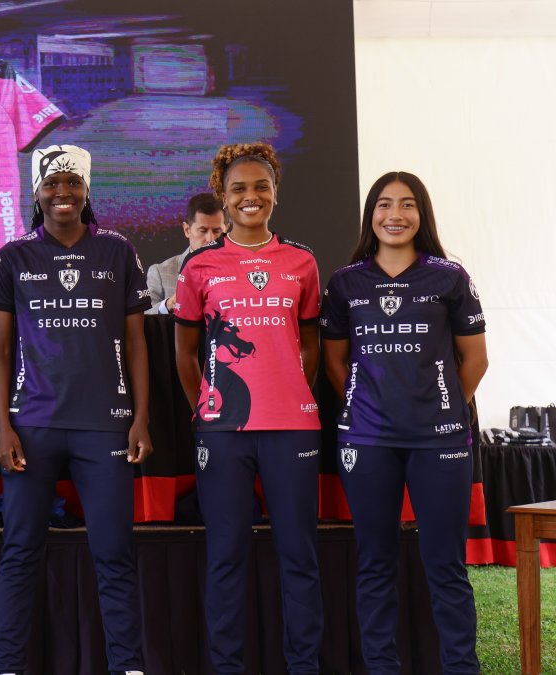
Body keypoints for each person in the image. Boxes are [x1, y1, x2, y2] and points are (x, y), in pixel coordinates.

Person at [0, 144, 151, 675]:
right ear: (36, 192)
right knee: (19, 554)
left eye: (73, 183)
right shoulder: (13, 257)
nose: (63, 193)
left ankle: (128, 667)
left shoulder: (118, 251)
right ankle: (6, 667)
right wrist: (2, 426)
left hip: (105, 426)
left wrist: (141, 417)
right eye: (52, 184)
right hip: (32, 427)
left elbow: (138, 343)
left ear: (86, 190)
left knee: (115, 556)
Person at [321, 172, 487, 674]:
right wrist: (368, 405)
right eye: (385, 204)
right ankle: (382, 667)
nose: (395, 214)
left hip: (439, 441)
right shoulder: (346, 282)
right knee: (375, 563)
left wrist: (441, 406)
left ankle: (461, 667)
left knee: (446, 566)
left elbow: (474, 360)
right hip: (367, 441)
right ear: (370, 214)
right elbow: (335, 363)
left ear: (422, 215)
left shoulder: (449, 277)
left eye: (408, 205)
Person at [173, 142, 324, 674]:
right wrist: (209, 408)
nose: (250, 196)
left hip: (293, 430)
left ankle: (304, 665)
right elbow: (185, 353)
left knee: (299, 557)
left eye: (261, 186)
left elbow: (309, 345)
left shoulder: (302, 262)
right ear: (223, 196)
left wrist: (289, 390)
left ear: (275, 193)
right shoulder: (200, 267)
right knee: (226, 556)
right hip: (224, 433)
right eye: (239, 188)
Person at [146, 192, 225, 314]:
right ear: (187, 230)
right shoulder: (160, 273)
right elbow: (143, 318)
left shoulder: (239, 269)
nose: (210, 239)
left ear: (226, 230)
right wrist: (168, 305)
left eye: (217, 231)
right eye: (203, 230)